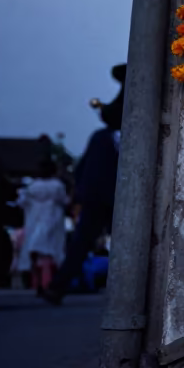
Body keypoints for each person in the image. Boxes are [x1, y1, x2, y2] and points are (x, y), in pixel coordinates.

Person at [44, 65, 123, 303]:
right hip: (111, 198)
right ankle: (59, 286)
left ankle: (58, 287)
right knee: (111, 244)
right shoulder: (112, 138)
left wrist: (79, 193)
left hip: (97, 197)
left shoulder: (100, 138)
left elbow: (81, 169)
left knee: (82, 242)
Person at [17, 161, 68, 294]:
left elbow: (22, 202)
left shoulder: (32, 186)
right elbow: (64, 200)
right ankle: (50, 283)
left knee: (34, 250)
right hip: (52, 219)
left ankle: (37, 281)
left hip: (34, 219)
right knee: (52, 251)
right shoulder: (57, 186)